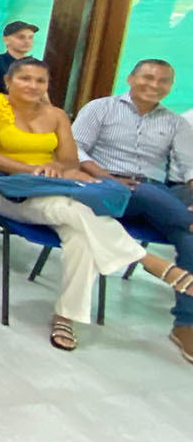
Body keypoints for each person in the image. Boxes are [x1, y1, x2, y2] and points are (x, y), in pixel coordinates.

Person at [0, 58, 193, 352]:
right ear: (8, 82)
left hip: (56, 190)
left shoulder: (57, 115)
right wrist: (34, 170)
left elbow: (69, 161)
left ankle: (66, 316)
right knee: (76, 210)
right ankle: (147, 261)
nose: (33, 86)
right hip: (3, 189)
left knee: (81, 234)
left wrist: (56, 168)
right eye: (25, 79)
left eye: (40, 81)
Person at [71, 58, 193, 361]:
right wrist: (105, 176)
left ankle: (185, 324)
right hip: (103, 186)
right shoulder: (101, 108)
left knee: (188, 237)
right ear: (130, 78)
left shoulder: (177, 122)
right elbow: (75, 148)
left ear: (169, 87)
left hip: (154, 196)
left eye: (162, 81)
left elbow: (189, 167)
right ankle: (186, 220)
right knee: (150, 194)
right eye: (147, 77)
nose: (154, 85)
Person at [0, 21, 37, 93]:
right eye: (21, 37)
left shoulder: (37, 65)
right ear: (6, 40)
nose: (27, 41)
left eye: (30, 37)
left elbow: (43, 96)